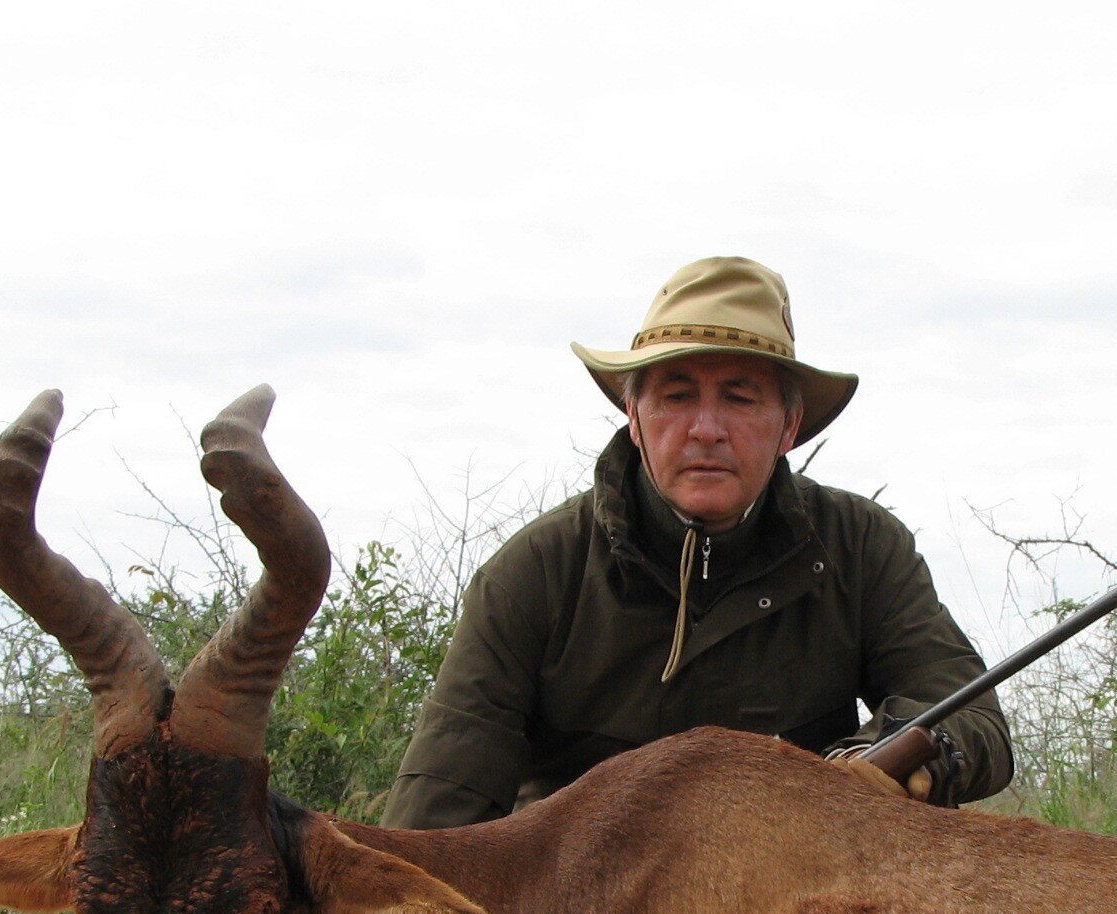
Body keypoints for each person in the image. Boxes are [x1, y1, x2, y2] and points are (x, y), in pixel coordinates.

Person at [385, 256, 1013, 830]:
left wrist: (897, 760)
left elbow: (972, 719)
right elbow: (432, 818)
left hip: (799, 906)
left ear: (788, 425)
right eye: (678, 397)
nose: (706, 430)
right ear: (635, 418)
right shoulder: (535, 573)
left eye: (740, 399)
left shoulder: (864, 547)